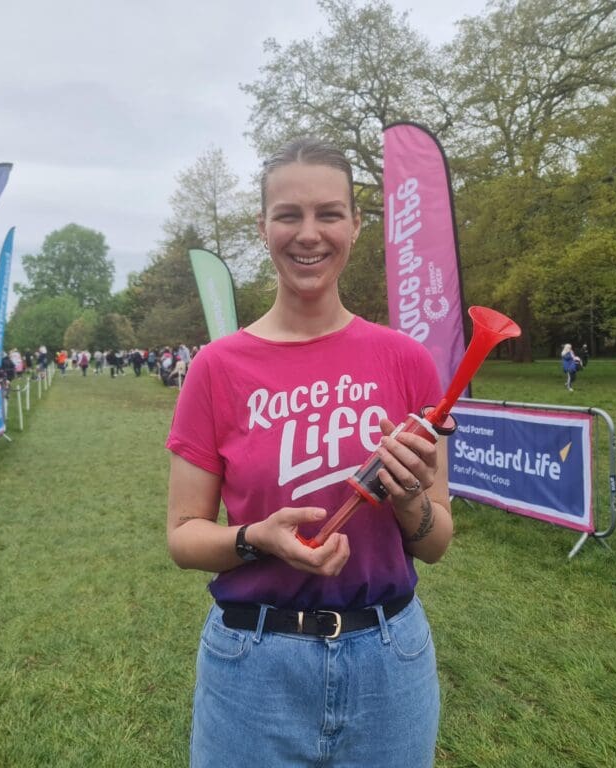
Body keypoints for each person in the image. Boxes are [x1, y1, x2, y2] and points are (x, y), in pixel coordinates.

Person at [166, 138, 451, 767]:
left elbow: (435, 540)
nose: (309, 234)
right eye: (288, 215)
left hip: (389, 661)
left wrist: (408, 500)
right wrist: (255, 539)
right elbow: (184, 537)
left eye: (328, 213)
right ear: (264, 227)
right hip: (253, 665)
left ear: (355, 224)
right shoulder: (216, 369)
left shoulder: (405, 361)